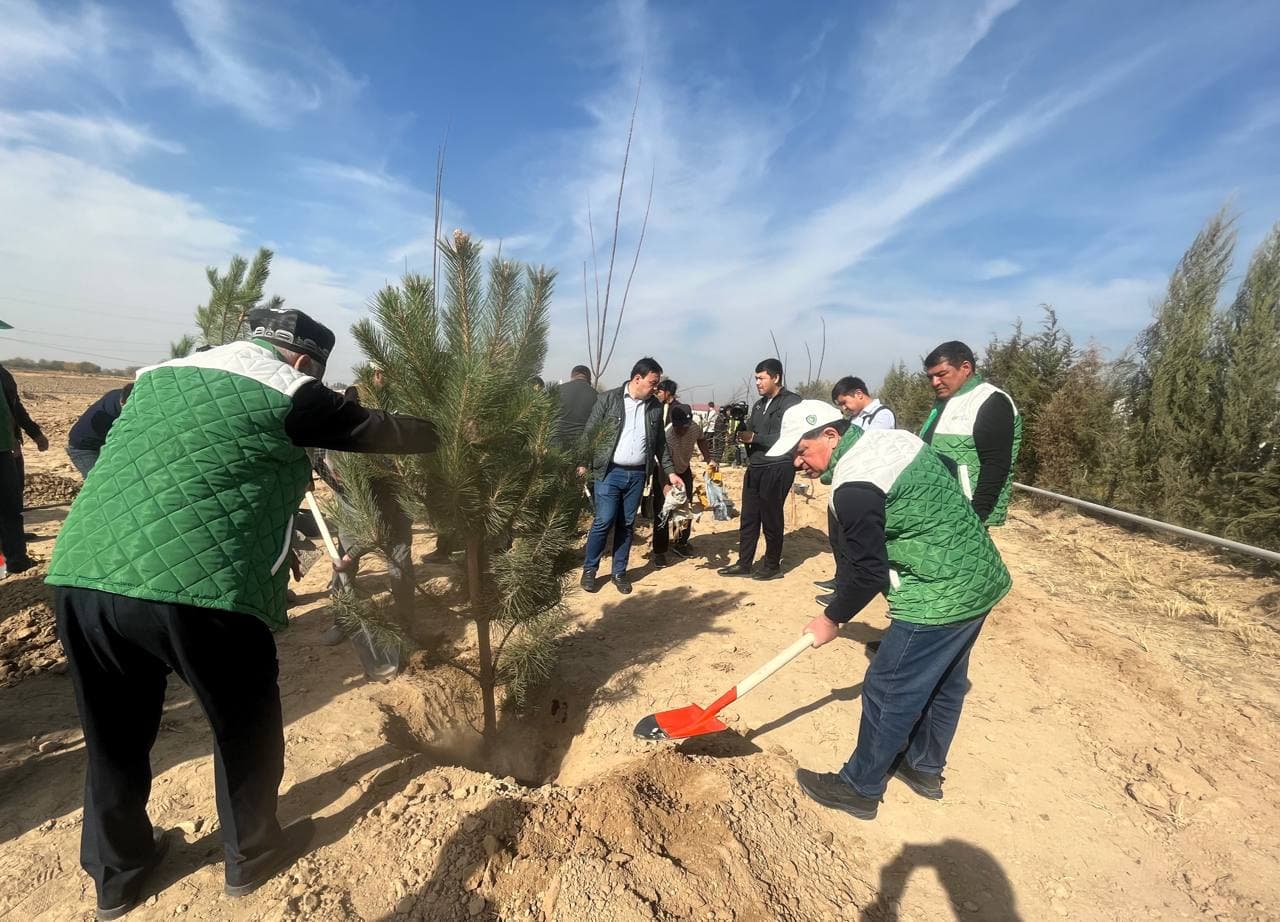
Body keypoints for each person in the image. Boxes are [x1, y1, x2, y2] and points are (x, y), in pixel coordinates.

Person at [46, 307, 438, 918]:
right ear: (307, 363)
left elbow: (83, 439)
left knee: (113, 735)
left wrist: (133, 508)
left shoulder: (153, 378)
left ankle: (118, 876)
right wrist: (452, 428)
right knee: (244, 723)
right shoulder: (293, 392)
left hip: (83, 573)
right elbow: (386, 431)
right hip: (203, 588)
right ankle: (250, 855)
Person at [762, 399, 1011, 821]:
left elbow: (867, 571)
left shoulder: (855, 485)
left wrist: (831, 617)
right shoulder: (896, 439)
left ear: (831, 435)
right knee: (947, 681)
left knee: (888, 686)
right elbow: (953, 471)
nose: (798, 464)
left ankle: (859, 787)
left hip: (937, 593)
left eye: (801, 451)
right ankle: (923, 768)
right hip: (980, 576)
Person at [578, 357, 679, 595]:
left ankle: (619, 572)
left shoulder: (655, 407)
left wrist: (671, 472)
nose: (656, 388)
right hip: (608, 471)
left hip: (636, 475)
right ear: (637, 378)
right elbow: (590, 432)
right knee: (604, 520)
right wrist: (582, 462)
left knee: (626, 523)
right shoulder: (609, 399)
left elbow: (660, 445)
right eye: (653, 382)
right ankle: (590, 569)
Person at [919, 341, 1022, 527]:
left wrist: (975, 517)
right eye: (930, 377)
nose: (935, 382)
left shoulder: (990, 401)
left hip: (966, 512)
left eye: (941, 374)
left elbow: (996, 464)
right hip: (938, 507)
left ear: (965, 368)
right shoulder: (943, 403)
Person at [718, 358, 802, 580]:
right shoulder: (758, 405)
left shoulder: (792, 403)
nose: (757, 382)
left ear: (776, 377)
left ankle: (772, 566)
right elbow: (749, 432)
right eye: (756, 378)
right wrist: (736, 423)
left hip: (777, 466)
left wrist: (756, 437)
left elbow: (791, 435)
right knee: (749, 517)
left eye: (761, 378)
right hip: (755, 466)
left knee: (771, 517)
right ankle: (744, 563)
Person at [651, 402, 716, 567]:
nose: (683, 430)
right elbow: (660, 464)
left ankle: (680, 543)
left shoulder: (694, 427)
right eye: (679, 427)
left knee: (684, 508)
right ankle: (659, 551)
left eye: (685, 426)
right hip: (665, 472)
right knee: (663, 511)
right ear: (673, 423)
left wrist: (709, 458)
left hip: (684, 470)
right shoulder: (667, 435)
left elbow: (701, 440)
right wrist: (666, 488)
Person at [1, 361, 49, 548]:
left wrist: (35, 433)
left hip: (8, 443)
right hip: (5, 444)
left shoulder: (4, 374)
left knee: (13, 494)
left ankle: (13, 541)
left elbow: (15, 408)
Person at [67, 383, 134, 478]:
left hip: (105, 445)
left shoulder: (121, 394)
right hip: (84, 448)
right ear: (122, 402)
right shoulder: (117, 412)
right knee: (99, 482)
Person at [553, 364, 598, 451]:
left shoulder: (557, 390)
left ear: (572, 376)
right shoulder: (596, 395)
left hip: (554, 444)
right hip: (580, 448)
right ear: (589, 378)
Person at [831, 376, 896, 430]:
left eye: (844, 402)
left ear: (859, 394)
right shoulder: (853, 418)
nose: (844, 408)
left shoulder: (882, 415)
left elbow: (871, 443)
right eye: (840, 405)